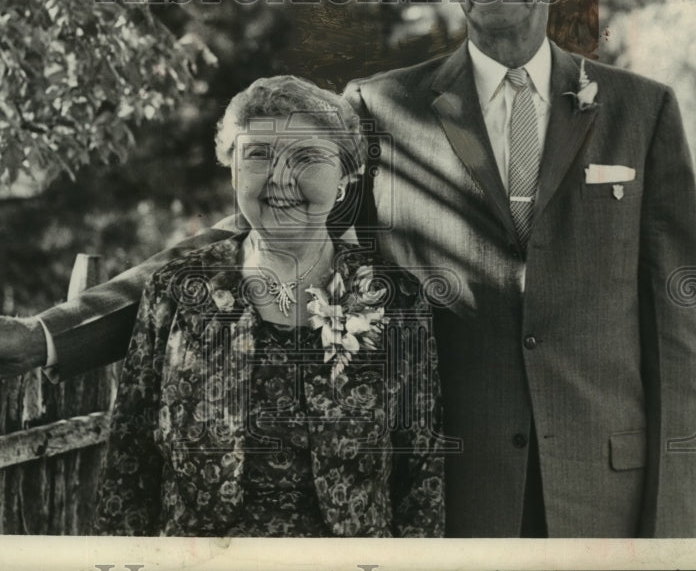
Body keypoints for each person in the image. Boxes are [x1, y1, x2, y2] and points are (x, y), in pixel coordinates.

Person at [0, 0, 696, 537]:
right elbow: (242, 237)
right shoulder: (384, 108)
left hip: (605, 497)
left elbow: (679, 333)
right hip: (452, 494)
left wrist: (671, 529)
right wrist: (46, 334)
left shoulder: (642, 112)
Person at [92, 76, 446, 536]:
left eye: (307, 157)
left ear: (344, 178)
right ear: (233, 170)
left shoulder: (394, 300)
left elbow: (422, 477)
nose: (280, 178)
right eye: (258, 155)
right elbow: (128, 469)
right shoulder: (177, 290)